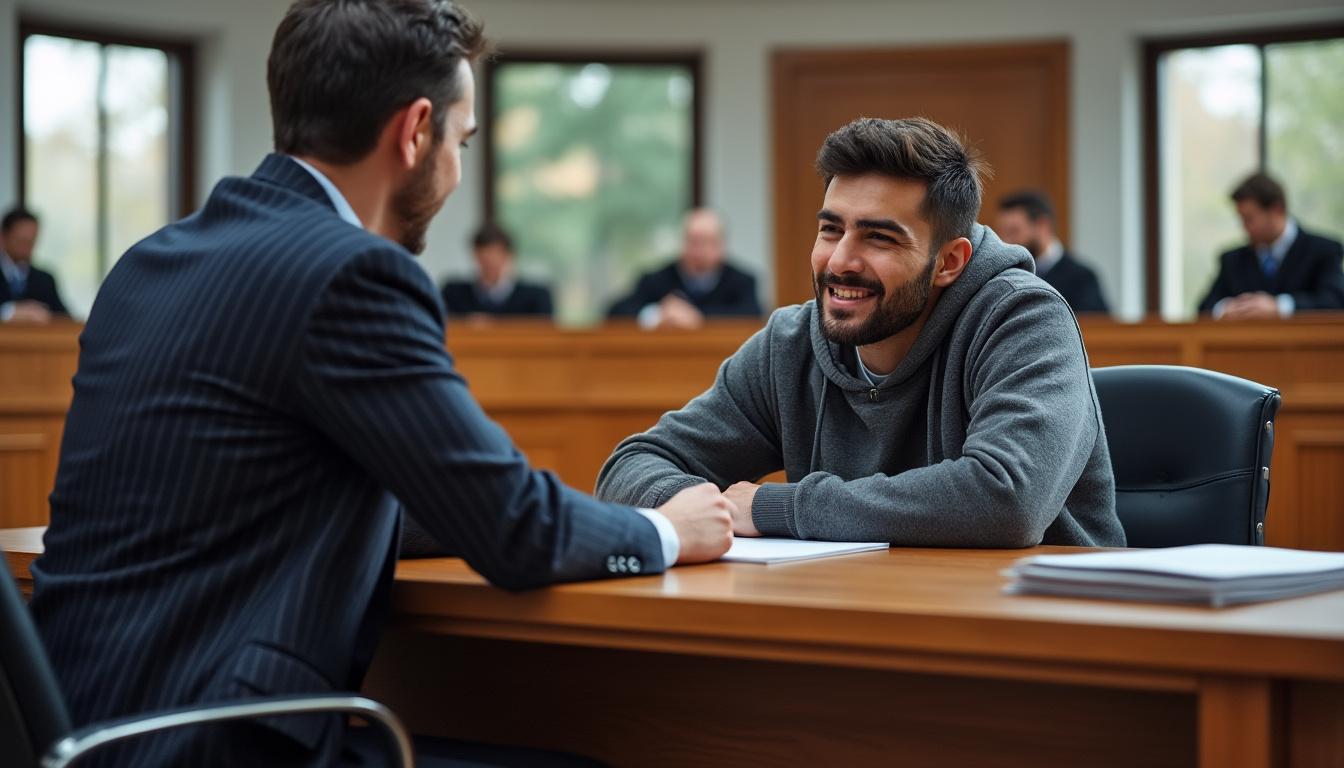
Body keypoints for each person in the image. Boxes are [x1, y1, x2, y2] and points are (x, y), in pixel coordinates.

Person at [29, 2, 734, 766]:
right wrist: (666, 530)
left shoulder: (149, 262)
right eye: (460, 142)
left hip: (82, 727)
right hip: (216, 741)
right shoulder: (352, 274)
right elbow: (513, 531)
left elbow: (280, 492)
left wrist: (497, 508)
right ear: (414, 131)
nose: (458, 172)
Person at [597, 117, 1125, 549]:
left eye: (878, 238)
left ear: (949, 262)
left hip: (1036, 638)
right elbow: (631, 466)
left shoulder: (1024, 318)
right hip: (861, 618)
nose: (840, 261)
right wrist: (704, 509)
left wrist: (780, 506)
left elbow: (1007, 499)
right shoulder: (792, 343)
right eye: (831, 229)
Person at [1198, 172, 1344, 319]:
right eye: (1241, 219)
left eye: (1249, 219)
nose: (1244, 228)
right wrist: (1224, 309)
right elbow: (1204, 308)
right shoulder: (1233, 260)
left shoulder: (1323, 251)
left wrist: (1280, 306)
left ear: (1277, 210)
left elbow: (1334, 302)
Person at [607, 208, 761, 328]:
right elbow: (615, 312)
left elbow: (753, 316)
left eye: (705, 242)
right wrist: (656, 315)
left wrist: (697, 317)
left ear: (721, 245)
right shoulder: (656, 279)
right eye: (692, 241)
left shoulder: (742, 281)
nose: (698, 251)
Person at [995, 190, 1109, 315]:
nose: (1005, 241)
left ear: (1043, 225)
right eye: (1001, 233)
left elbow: (1096, 329)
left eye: (1014, 231)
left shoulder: (1082, 278)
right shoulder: (1002, 276)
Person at [441, 223, 553, 317]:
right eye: (484, 257)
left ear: (509, 256)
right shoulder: (453, 294)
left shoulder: (536, 297)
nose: (490, 263)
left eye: (496, 255)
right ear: (475, 256)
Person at [1, 206, 69, 323]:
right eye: (21, 240)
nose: (26, 247)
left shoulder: (44, 280)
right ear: (3, 237)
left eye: (31, 241)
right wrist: (10, 312)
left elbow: (64, 319)